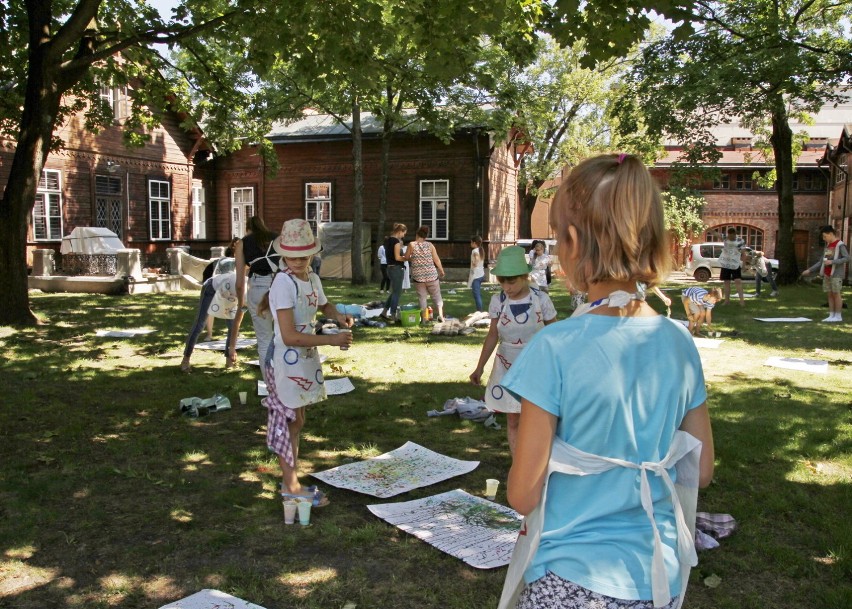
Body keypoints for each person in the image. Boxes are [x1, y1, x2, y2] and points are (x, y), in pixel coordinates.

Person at [499, 153, 714, 609]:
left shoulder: (555, 346)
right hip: (660, 573)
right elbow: (702, 469)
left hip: (573, 578)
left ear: (573, 242)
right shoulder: (678, 340)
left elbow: (522, 494)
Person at [260, 219, 353, 506]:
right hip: (285, 360)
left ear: (311, 253)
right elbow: (288, 336)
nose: (298, 261)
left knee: (298, 419)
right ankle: (290, 487)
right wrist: (332, 341)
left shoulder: (311, 277)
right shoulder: (283, 283)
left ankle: (292, 480)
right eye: (292, 256)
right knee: (287, 421)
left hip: (304, 358)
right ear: (283, 255)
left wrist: (337, 315)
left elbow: (323, 303)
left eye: (303, 255)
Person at [469, 246, 557, 455]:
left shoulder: (540, 299)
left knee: (537, 415)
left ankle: (539, 461)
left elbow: (554, 333)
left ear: (525, 276)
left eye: (512, 281)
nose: (506, 287)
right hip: (507, 362)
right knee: (513, 415)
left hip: (536, 364)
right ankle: (518, 463)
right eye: (502, 281)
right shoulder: (498, 301)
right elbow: (492, 335)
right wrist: (479, 368)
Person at [232, 217, 280, 379]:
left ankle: (271, 387)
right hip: (281, 285)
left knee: (264, 340)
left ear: (248, 229)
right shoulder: (277, 238)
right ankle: (288, 384)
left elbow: (239, 282)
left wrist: (241, 302)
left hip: (258, 288)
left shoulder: (242, 243)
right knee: (285, 336)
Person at [180, 270, 244, 372]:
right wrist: (232, 348)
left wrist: (232, 348)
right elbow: (238, 321)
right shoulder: (245, 291)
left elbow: (236, 324)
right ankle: (186, 359)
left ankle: (229, 361)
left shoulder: (248, 295)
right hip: (212, 288)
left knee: (232, 327)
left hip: (229, 295)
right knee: (200, 324)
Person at [801, 225, 849, 322]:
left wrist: (832, 262)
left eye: (825, 236)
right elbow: (821, 261)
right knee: (830, 294)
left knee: (836, 293)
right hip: (827, 274)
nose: (824, 239)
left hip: (836, 274)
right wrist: (810, 270)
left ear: (830, 234)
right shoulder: (828, 246)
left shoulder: (840, 245)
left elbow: (847, 258)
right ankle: (831, 315)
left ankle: (838, 316)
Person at [201, 239, 238, 342]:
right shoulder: (232, 261)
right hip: (212, 279)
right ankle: (209, 334)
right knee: (212, 307)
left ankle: (234, 331)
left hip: (219, 280)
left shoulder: (234, 260)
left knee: (229, 304)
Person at [409, 225, 446, 322]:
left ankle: (424, 318)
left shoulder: (412, 245)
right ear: (426, 236)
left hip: (418, 277)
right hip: (432, 275)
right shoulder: (430, 245)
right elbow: (436, 259)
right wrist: (441, 270)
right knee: (437, 296)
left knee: (422, 298)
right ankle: (441, 315)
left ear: (417, 234)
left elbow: (407, 257)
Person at [379, 223, 410, 321]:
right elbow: (397, 257)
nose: (403, 236)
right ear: (400, 231)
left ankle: (384, 312)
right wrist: (407, 258)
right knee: (397, 292)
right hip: (396, 269)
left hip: (389, 268)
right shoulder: (396, 241)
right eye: (403, 233)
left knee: (395, 291)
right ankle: (393, 314)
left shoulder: (388, 240)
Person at [719, 227, 746, 305]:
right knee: (726, 282)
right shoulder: (725, 238)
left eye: (732, 236)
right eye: (729, 236)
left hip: (735, 263)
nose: (731, 237)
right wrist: (708, 228)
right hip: (726, 263)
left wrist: (744, 265)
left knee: (738, 281)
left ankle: (742, 301)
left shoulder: (740, 241)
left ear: (735, 234)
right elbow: (716, 234)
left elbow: (744, 253)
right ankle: (727, 301)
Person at [468, 235, 486, 312]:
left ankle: (480, 311)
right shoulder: (481, 250)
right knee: (477, 293)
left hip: (476, 275)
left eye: (471, 242)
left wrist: (474, 262)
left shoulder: (475, 251)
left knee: (476, 294)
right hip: (481, 273)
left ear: (474, 243)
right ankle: (479, 310)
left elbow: (476, 261)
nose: (470, 244)